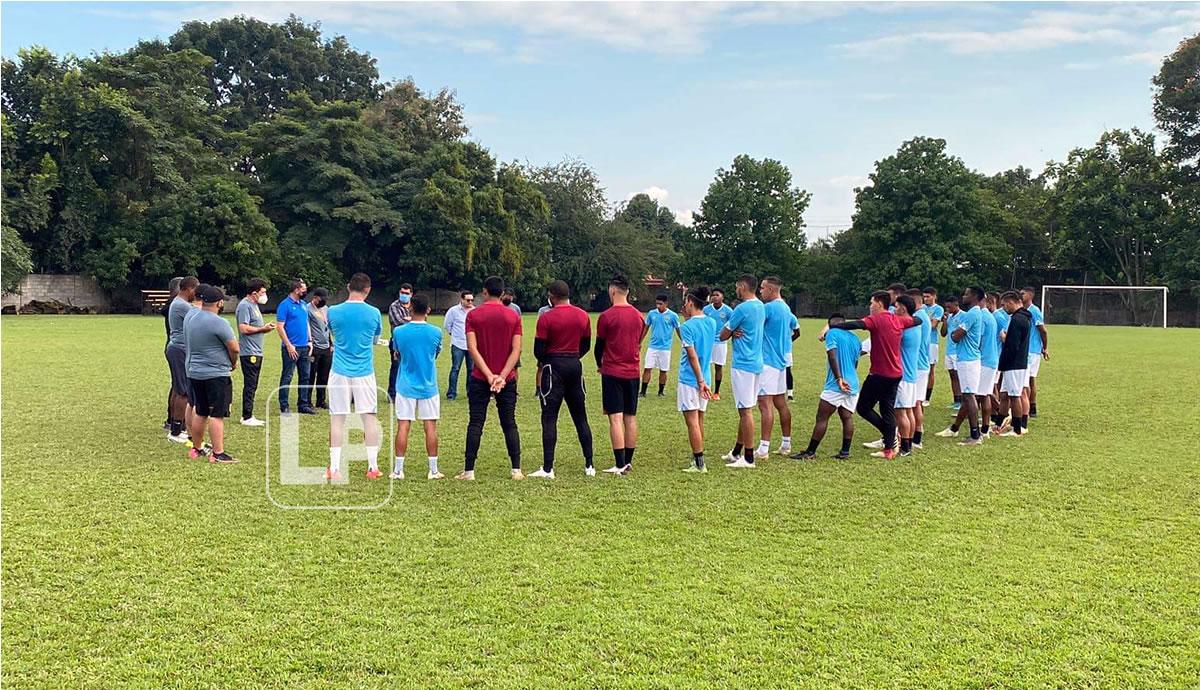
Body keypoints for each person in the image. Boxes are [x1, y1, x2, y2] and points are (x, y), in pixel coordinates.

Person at [823, 290, 919, 460]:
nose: (870, 306)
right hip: (896, 374)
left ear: (879, 303)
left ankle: (889, 437)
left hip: (879, 374)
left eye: (871, 302)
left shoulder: (876, 319)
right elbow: (916, 320)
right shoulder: (898, 320)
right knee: (887, 409)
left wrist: (833, 326)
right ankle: (889, 448)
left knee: (863, 407)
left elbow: (855, 325)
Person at [460, 276, 524, 481]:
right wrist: (502, 376)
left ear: (484, 292)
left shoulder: (474, 315)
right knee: (509, 423)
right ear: (503, 293)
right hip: (507, 378)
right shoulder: (513, 316)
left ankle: (469, 471)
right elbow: (516, 350)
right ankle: (516, 469)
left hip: (480, 376)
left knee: (476, 423)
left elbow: (472, 348)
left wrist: (488, 375)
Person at [531, 280, 594, 479]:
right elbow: (586, 345)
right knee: (580, 417)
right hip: (575, 366)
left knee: (549, 418)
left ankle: (548, 468)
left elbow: (538, 350)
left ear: (552, 296)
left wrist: (550, 359)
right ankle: (589, 464)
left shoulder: (546, 318)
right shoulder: (583, 316)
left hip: (553, 367)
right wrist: (572, 356)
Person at [325, 273, 384, 480]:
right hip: (364, 372)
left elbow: (331, 332)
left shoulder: (333, 311)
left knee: (337, 419)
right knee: (369, 417)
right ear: (367, 290)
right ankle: (372, 467)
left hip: (339, 371)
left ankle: (334, 468)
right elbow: (376, 338)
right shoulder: (375, 313)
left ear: (349, 287)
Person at [791, 314, 862, 460]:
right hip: (853, 384)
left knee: (822, 418)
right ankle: (845, 452)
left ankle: (810, 452)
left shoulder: (832, 334)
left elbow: (832, 356)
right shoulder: (855, 338)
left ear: (829, 325)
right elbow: (855, 363)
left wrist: (838, 378)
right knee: (847, 417)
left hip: (836, 384)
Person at [390, 293, 444, 480]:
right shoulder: (436, 332)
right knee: (430, 426)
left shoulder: (398, 332)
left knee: (403, 425)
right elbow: (435, 353)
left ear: (410, 307)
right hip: (428, 385)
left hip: (405, 385)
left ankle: (398, 469)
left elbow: (397, 353)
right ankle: (433, 469)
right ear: (428, 309)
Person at [183, 285, 239, 464]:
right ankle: (218, 453)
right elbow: (234, 347)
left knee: (200, 411)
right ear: (219, 302)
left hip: (195, 372)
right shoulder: (219, 322)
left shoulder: (191, 317)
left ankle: (197, 448)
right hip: (216, 373)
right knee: (216, 414)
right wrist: (232, 362)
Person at [595, 274, 643, 475]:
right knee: (630, 417)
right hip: (633, 372)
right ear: (628, 292)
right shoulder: (639, 316)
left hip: (613, 371)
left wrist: (600, 364)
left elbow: (599, 347)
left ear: (612, 291)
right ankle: (628, 461)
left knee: (615, 418)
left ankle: (620, 462)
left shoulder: (606, 316)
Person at [719, 274, 766, 469]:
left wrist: (731, 332)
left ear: (743, 286)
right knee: (745, 407)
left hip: (743, 364)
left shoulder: (742, 308)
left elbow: (723, 334)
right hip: (756, 362)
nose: (736, 290)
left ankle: (748, 457)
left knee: (745, 411)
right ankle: (737, 451)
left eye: (737, 286)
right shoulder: (760, 306)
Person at [756, 276, 799, 458]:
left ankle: (763, 448)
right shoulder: (787, 309)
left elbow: (753, 325)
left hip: (768, 362)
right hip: (781, 362)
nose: (760, 291)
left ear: (771, 290)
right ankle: (786, 443)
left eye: (763, 288)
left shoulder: (769, 308)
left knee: (765, 404)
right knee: (780, 403)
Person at [938, 287, 987, 445]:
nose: (963, 296)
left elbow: (956, 336)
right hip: (969, 358)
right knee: (968, 397)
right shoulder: (975, 312)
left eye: (966, 294)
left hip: (968, 359)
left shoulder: (972, 313)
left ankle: (975, 435)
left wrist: (955, 333)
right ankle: (956, 428)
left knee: (969, 396)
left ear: (974, 296)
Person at [677, 286, 717, 472]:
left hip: (691, 379)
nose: (684, 305)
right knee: (700, 418)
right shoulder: (711, 323)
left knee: (691, 420)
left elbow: (692, 356)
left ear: (691, 302)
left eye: (686, 301)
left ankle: (700, 463)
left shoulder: (686, 327)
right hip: (706, 377)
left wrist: (699, 381)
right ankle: (698, 457)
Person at [890, 294, 925, 456]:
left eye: (896, 306)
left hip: (902, 375)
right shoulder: (915, 325)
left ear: (903, 308)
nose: (894, 309)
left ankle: (905, 447)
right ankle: (908, 444)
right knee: (909, 411)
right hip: (911, 375)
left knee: (901, 412)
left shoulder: (905, 328)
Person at [165, 276, 199, 443]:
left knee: (178, 389)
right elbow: (200, 317)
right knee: (183, 392)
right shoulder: (181, 305)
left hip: (177, 349)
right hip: (179, 350)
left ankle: (174, 424)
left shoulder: (180, 304)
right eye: (195, 290)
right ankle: (176, 430)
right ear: (189, 289)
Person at [236, 279, 274, 426]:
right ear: (254, 293)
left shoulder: (254, 306)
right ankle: (247, 416)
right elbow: (243, 328)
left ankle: (248, 414)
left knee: (254, 384)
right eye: (263, 292)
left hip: (257, 351)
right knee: (250, 384)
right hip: (249, 352)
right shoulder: (245, 306)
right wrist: (262, 329)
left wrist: (264, 327)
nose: (265, 295)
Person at [276, 278, 315, 415]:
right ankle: (284, 405)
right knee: (287, 376)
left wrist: (310, 340)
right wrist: (288, 345)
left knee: (305, 375)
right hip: (291, 348)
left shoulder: (303, 304)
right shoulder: (284, 305)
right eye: (303, 289)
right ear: (296, 289)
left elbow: (306, 323)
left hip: (305, 347)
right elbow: (280, 327)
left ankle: (303, 404)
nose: (305, 291)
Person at [997, 291, 1032, 436]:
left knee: (1014, 395)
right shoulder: (1021, 317)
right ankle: (999, 423)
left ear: (1011, 302)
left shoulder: (1018, 319)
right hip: (1012, 363)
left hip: (1014, 364)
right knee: (1004, 394)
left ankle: (1017, 429)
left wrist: (1004, 338)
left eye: (1005, 305)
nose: (1004, 308)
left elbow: (1013, 345)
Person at [906, 288, 932, 448]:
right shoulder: (923, 316)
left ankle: (912, 438)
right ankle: (916, 436)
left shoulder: (918, 318)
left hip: (916, 366)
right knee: (916, 402)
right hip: (921, 365)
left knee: (912, 403)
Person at [640, 294, 680, 398]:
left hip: (665, 348)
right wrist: (639, 341)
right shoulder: (652, 314)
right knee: (647, 368)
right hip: (652, 347)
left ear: (666, 304)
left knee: (663, 370)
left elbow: (678, 329)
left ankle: (661, 391)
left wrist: (684, 342)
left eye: (660, 304)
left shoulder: (673, 316)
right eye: (657, 303)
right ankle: (643, 391)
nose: (658, 306)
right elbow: (646, 328)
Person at [1021, 286, 1049, 418]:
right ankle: (1030, 407)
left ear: (1030, 295)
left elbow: (1043, 330)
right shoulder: (1021, 310)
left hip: (1032, 351)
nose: (1021, 294)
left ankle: (1030, 408)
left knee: (1029, 380)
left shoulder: (1035, 311)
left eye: (1023, 293)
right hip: (1024, 349)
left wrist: (1045, 347)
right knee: (1026, 380)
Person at [443, 290, 475, 399]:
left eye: (472, 300)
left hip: (471, 345)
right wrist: (454, 335)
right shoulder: (453, 311)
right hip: (458, 344)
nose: (470, 302)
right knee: (455, 368)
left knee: (471, 369)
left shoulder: (474, 311)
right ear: (461, 299)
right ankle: (451, 393)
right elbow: (447, 325)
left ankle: (470, 392)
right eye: (468, 300)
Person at [703, 288, 734, 401]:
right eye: (713, 295)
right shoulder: (706, 309)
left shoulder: (728, 310)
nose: (714, 297)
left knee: (718, 367)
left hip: (721, 342)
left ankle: (716, 392)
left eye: (717, 295)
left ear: (722, 297)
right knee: (705, 365)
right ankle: (705, 389)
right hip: (707, 342)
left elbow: (733, 325)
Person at [386, 283, 414, 402]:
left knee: (411, 368)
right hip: (397, 342)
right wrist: (412, 320)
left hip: (412, 342)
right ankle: (392, 394)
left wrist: (410, 320)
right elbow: (398, 322)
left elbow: (422, 319)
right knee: (396, 367)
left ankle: (408, 392)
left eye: (406, 293)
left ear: (411, 294)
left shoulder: (414, 305)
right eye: (402, 293)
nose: (404, 295)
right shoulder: (394, 306)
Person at [162, 276, 183, 431]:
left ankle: (172, 419)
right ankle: (175, 421)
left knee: (177, 385)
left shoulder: (172, 305)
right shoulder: (175, 306)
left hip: (172, 346)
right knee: (180, 387)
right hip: (177, 348)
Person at [307, 287, 333, 410]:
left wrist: (331, 344)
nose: (324, 301)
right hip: (314, 347)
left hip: (326, 347)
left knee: (324, 375)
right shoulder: (307, 309)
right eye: (322, 299)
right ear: (315, 298)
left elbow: (328, 328)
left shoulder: (326, 309)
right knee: (311, 375)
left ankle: (321, 400)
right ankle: (307, 400)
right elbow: (306, 327)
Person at [922, 287, 944, 404]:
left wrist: (924, 322)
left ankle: (927, 397)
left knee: (930, 369)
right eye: (924, 296)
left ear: (934, 296)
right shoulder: (922, 308)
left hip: (931, 342)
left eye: (928, 296)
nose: (925, 299)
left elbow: (933, 325)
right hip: (921, 342)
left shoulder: (938, 309)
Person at [940, 296, 962, 410]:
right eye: (946, 307)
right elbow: (943, 334)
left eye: (949, 307)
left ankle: (963, 400)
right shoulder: (948, 317)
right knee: (952, 375)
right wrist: (944, 321)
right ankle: (956, 399)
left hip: (958, 351)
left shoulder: (963, 316)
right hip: (949, 350)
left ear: (956, 304)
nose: (947, 309)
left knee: (959, 376)